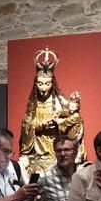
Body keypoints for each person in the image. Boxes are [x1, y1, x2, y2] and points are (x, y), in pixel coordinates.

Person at [19, 48, 85, 176]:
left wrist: (73, 104)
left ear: (52, 83)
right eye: (40, 83)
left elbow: (75, 117)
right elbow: (26, 125)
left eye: (47, 84)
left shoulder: (61, 102)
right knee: (34, 173)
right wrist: (40, 125)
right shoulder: (33, 106)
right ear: (35, 84)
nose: (43, 88)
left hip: (60, 152)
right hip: (40, 155)